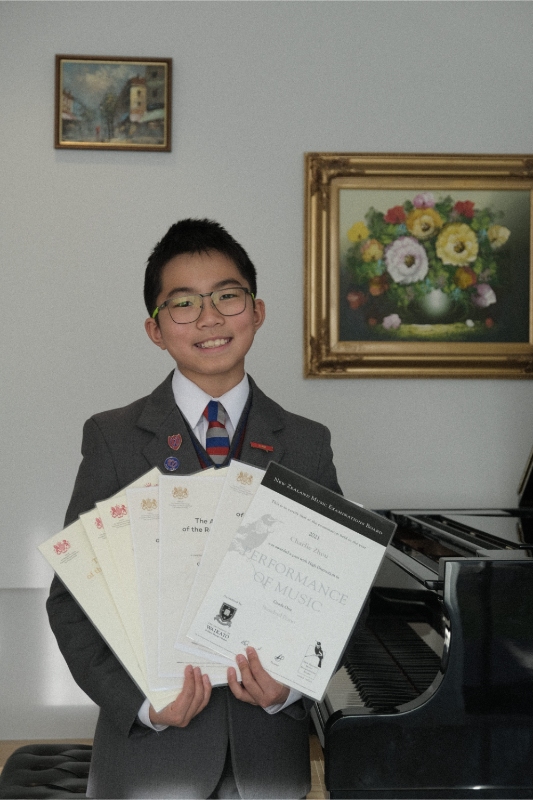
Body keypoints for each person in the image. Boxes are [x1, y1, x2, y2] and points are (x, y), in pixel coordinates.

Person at [47, 218, 342, 799]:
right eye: (183, 303)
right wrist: (142, 704)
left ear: (257, 311)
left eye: (227, 296)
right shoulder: (113, 438)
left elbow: (339, 594)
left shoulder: (308, 443)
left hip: (269, 760)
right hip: (149, 758)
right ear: (155, 330)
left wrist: (292, 688)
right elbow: (72, 599)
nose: (209, 318)